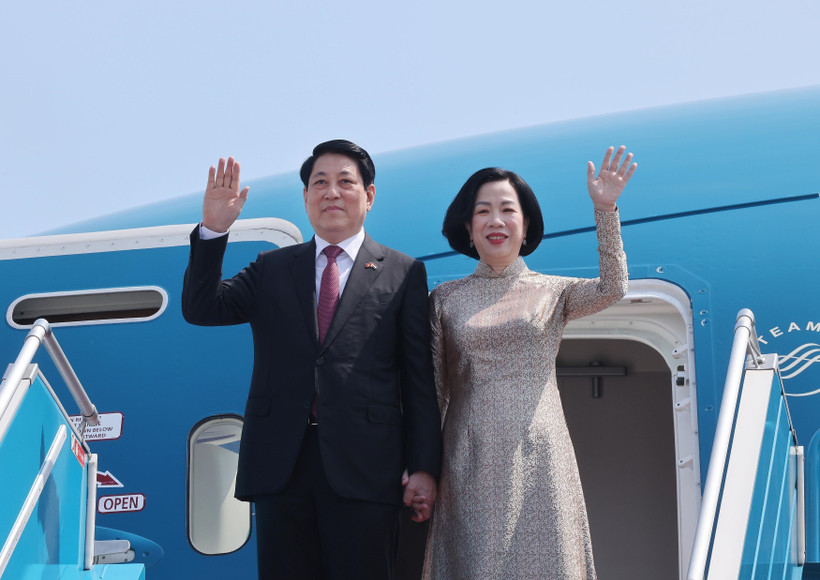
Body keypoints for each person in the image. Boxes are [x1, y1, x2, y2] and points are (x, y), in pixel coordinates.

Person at [181, 139, 442, 580]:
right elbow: (201, 308)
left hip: (367, 469)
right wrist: (213, 231)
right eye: (319, 183)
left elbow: (418, 379)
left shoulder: (402, 272)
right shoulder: (272, 267)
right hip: (282, 466)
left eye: (345, 182)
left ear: (369, 195)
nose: (331, 192)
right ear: (305, 197)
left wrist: (423, 467)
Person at [422, 146, 636, 579]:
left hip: (541, 450)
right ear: (468, 228)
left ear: (526, 226)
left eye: (507, 210)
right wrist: (425, 467)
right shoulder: (444, 299)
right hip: (469, 454)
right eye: (483, 211)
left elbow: (613, 288)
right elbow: (435, 391)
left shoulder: (553, 291)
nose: (495, 221)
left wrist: (606, 211)